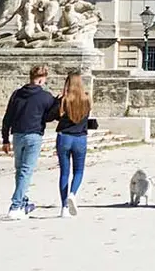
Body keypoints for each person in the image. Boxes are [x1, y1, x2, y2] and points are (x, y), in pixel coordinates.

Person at [0, 64, 57, 220]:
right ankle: (15, 205)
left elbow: (7, 117)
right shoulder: (45, 96)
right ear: (42, 79)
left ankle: (23, 201)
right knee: (25, 171)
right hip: (34, 135)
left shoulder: (17, 94)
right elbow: (51, 116)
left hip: (17, 135)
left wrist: (5, 139)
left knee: (19, 170)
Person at [53, 71, 100, 218]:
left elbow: (56, 116)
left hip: (64, 137)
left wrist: (59, 98)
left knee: (64, 173)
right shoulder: (87, 99)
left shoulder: (64, 100)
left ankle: (64, 207)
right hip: (80, 137)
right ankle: (73, 193)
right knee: (78, 171)